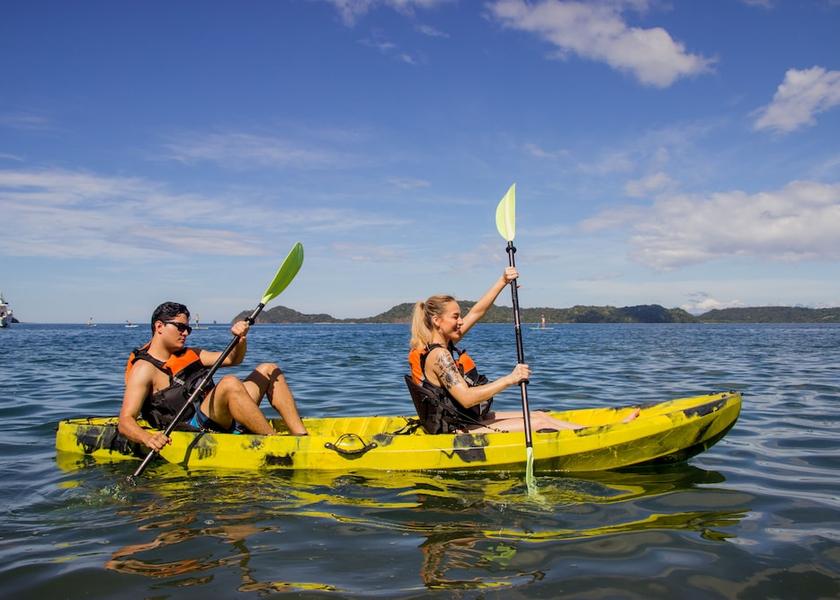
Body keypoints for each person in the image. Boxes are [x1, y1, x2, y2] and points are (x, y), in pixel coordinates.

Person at [407, 267, 585, 434]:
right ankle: (596, 439)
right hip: (455, 431)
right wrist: (510, 379)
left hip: (465, 419)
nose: (461, 321)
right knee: (540, 424)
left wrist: (503, 281)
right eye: (455, 316)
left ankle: (593, 433)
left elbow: (477, 312)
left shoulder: (446, 342)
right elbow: (467, 399)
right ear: (437, 321)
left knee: (540, 415)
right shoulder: (439, 355)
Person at [119, 301, 307, 452]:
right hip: (193, 428)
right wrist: (147, 438)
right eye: (180, 327)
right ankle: (276, 445)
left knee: (268, 369)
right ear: (159, 326)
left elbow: (234, 359)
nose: (185, 333)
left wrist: (240, 339)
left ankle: (302, 438)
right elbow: (126, 421)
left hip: (219, 417)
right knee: (229, 383)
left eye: (188, 329)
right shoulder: (144, 368)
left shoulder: (191, 354)